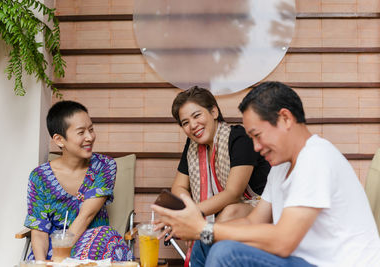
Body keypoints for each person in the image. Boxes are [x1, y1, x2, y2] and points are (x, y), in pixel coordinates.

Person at [152, 81, 380, 267]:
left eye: (257, 135)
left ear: (285, 119)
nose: (256, 147)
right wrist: (201, 233)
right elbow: (253, 221)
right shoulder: (281, 167)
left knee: (225, 252)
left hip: (335, 263)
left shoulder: (316, 157)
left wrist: (204, 228)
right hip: (302, 260)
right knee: (207, 243)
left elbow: (283, 241)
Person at [24, 101, 133, 261]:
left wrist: (59, 258)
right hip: (52, 250)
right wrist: (42, 263)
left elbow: (86, 216)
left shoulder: (104, 166)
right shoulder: (39, 177)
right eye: (81, 132)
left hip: (94, 245)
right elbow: (39, 230)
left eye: (91, 129)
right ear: (60, 140)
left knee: (106, 235)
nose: (90, 137)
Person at [171, 86, 270, 226]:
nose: (193, 125)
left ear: (214, 112)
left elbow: (233, 193)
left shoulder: (240, 138)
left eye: (197, 115)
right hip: (222, 211)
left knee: (230, 212)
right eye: (185, 123)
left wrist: (193, 215)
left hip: (264, 206)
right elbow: (178, 187)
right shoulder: (193, 146)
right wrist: (190, 210)